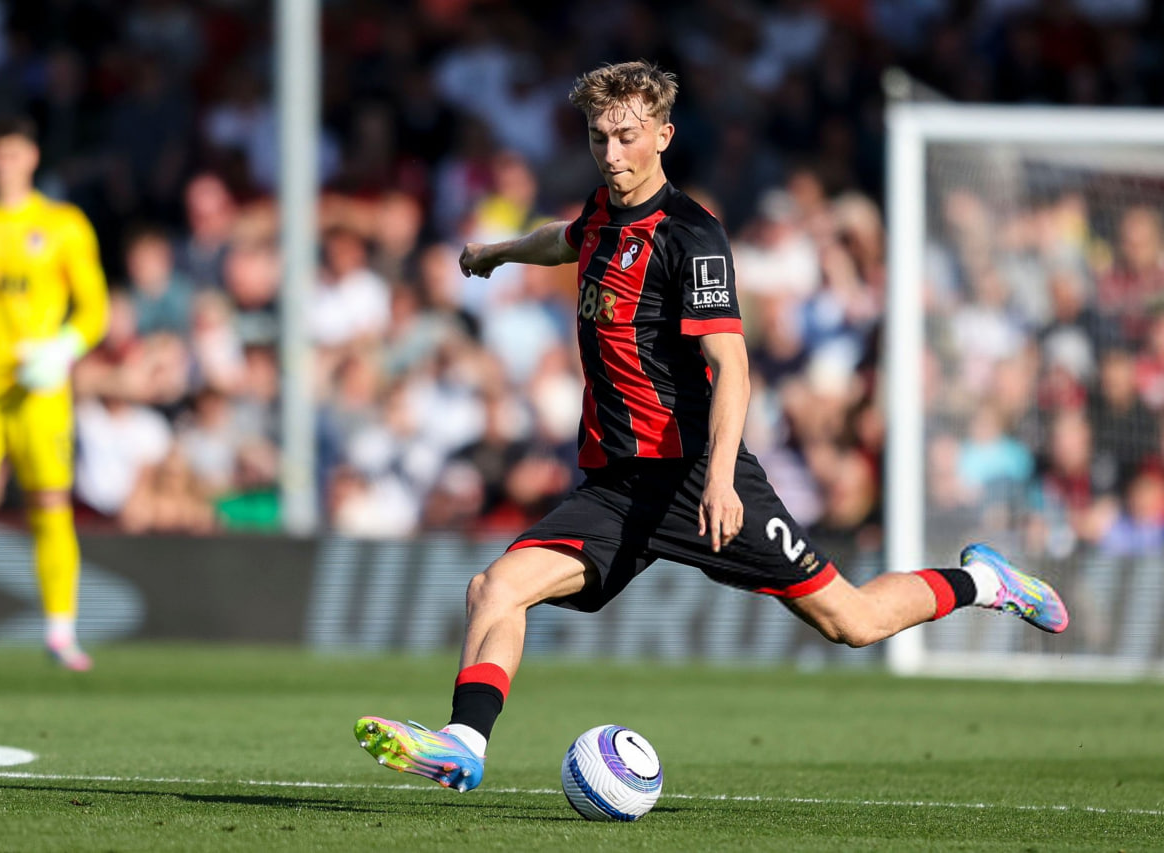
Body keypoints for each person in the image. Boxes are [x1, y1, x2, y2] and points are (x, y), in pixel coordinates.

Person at [353, 61, 1068, 792]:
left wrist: (721, 478)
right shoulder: (601, 213)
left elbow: (733, 366)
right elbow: (564, 239)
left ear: (663, 135)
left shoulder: (691, 236)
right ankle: (464, 744)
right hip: (618, 487)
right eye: (599, 137)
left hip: (696, 478)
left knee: (851, 621)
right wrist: (498, 253)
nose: (612, 153)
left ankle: (986, 580)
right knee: (495, 586)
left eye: (627, 137)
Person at [0, 118, 109, 670]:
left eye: (12, 153)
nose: (3, 164)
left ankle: (60, 632)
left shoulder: (62, 224)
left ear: (31, 157)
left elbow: (94, 308)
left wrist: (61, 349)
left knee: (50, 503)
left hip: (38, 387)